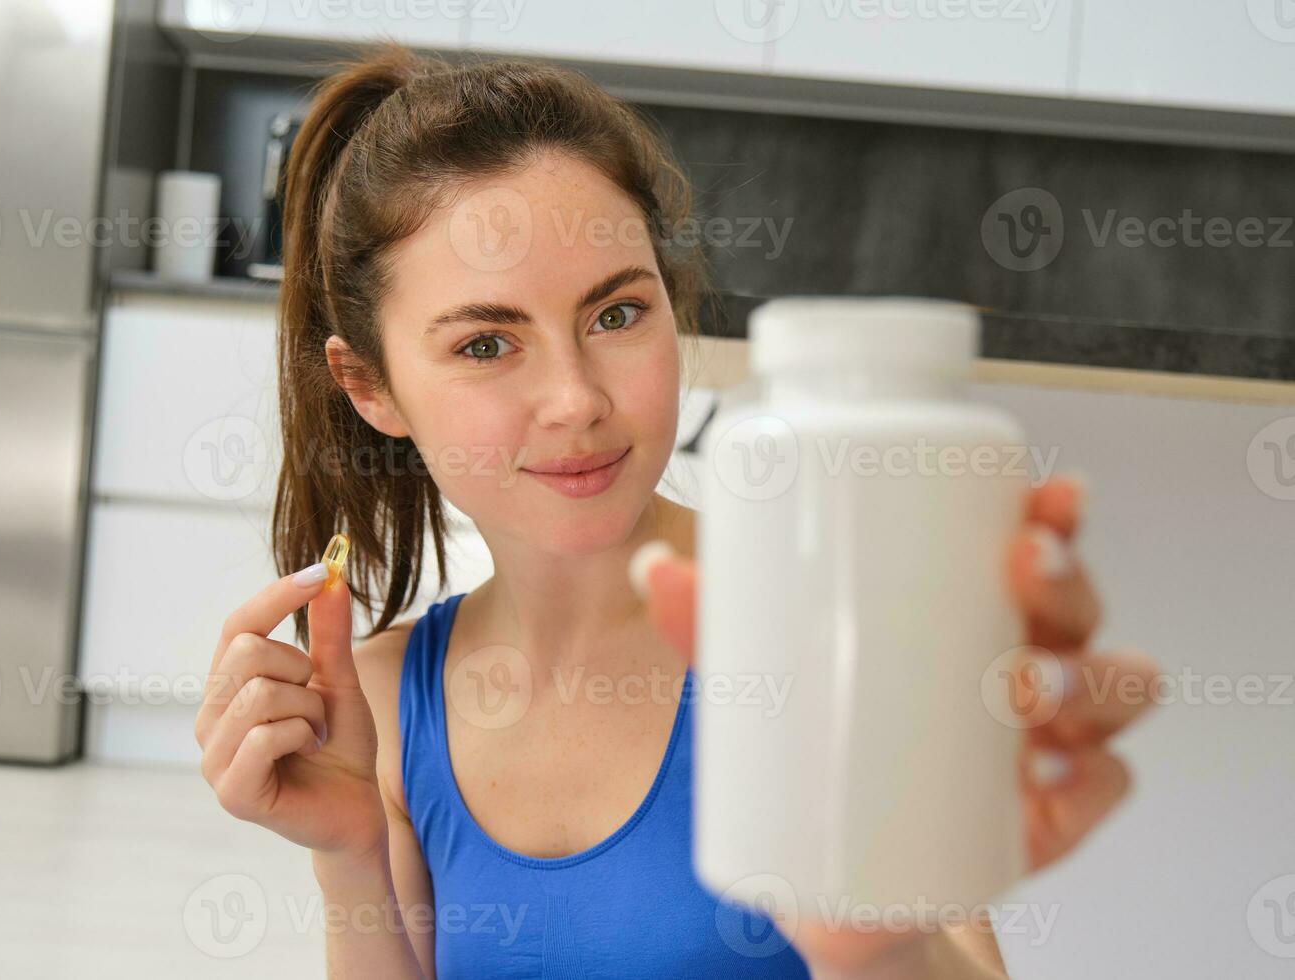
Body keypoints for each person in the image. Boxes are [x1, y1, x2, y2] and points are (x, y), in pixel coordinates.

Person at [193, 43, 1159, 979]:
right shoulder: (385, 702)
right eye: (487, 344)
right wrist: (348, 851)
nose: (576, 399)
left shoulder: (810, 624)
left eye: (616, 315)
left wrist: (874, 945)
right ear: (371, 388)